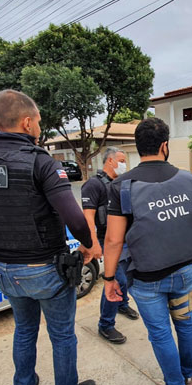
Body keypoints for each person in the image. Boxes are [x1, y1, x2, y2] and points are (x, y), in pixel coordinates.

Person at [0, 89, 98, 385]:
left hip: (4, 267)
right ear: (27, 122)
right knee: (61, 334)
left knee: (24, 329)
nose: (38, 128)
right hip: (45, 267)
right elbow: (74, 218)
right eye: (38, 123)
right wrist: (90, 244)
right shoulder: (40, 163)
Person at [103, 117, 192, 385]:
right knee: (186, 323)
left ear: (138, 149)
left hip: (148, 278)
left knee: (161, 333)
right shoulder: (190, 179)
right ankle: (187, 378)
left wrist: (108, 278)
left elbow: (113, 241)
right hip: (186, 271)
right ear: (165, 145)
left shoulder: (121, 186)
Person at [81, 147, 139, 345]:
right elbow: (88, 217)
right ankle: (105, 325)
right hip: (107, 240)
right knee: (116, 280)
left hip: (126, 240)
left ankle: (122, 303)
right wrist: (92, 243)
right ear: (110, 161)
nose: (125, 164)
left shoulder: (121, 183)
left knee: (126, 279)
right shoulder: (93, 185)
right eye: (122, 160)